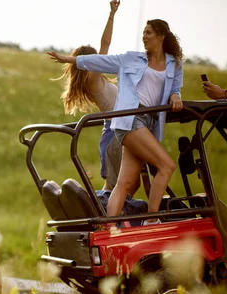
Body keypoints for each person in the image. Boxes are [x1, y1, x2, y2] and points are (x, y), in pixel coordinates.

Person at [48, 19, 184, 224]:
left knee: (126, 183)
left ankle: (108, 226)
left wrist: (176, 95)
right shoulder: (119, 66)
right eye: (144, 32)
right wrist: (69, 59)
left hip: (141, 123)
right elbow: (102, 55)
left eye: (149, 33)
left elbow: (174, 87)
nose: (144, 36)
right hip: (128, 122)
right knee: (165, 166)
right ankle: (152, 221)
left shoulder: (173, 63)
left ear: (161, 36)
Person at [49, 1, 120, 190]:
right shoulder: (94, 78)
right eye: (94, 57)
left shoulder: (98, 79)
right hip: (115, 132)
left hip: (117, 129)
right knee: (113, 186)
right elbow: (105, 45)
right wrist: (111, 15)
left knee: (128, 182)